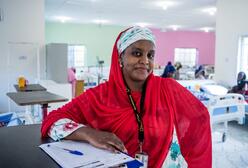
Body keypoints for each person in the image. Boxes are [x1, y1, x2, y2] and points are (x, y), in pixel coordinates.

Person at [41, 26, 212, 168]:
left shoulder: (167, 89)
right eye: (137, 53)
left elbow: (199, 117)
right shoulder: (98, 96)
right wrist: (89, 134)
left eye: (150, 55)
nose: (145, 60)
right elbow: (52, 120)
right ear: (120, 57)